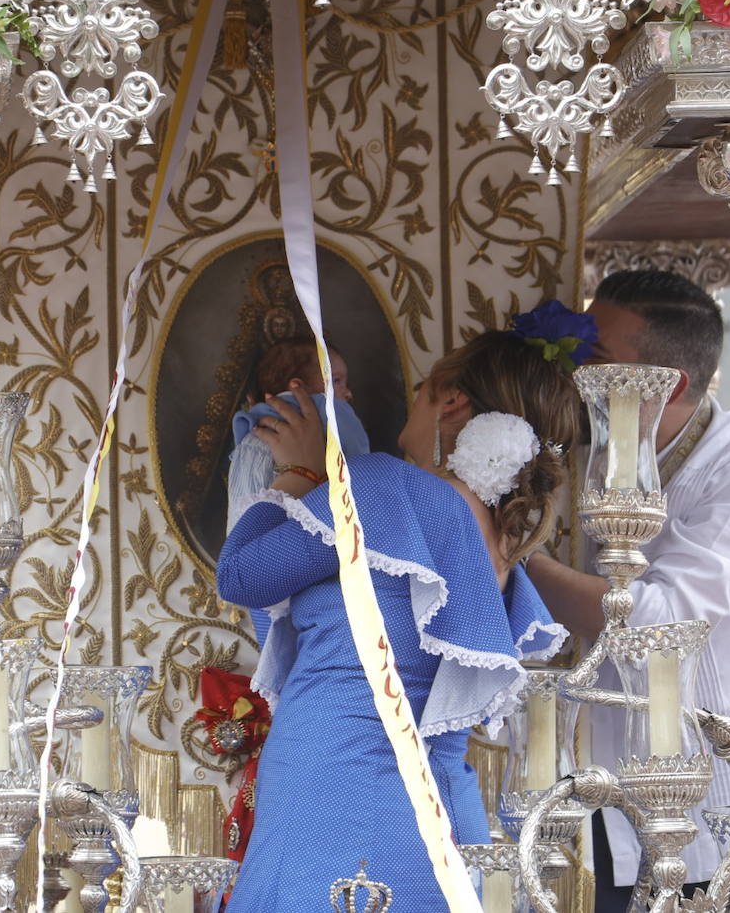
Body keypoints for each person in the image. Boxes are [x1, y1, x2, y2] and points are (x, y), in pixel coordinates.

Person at [217, 310, 585, 911]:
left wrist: (300, 473)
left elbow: (242, 575)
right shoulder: (501, 549)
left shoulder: (378, 484)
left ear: (451, 402)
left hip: (333, 793)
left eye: (421, 394)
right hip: (442, 810)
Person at [524, 270, 730, 911]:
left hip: (710, 813)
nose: (575, 374)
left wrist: (519, 557)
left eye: (595, 360)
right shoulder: (572, 452)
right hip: (580, 801)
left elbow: (655, 625)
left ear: (671, 385)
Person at [225, 337, 368, 706]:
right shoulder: (309, 431)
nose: (347, 393)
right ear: (297, 388)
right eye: (336, 381)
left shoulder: (252, 446)